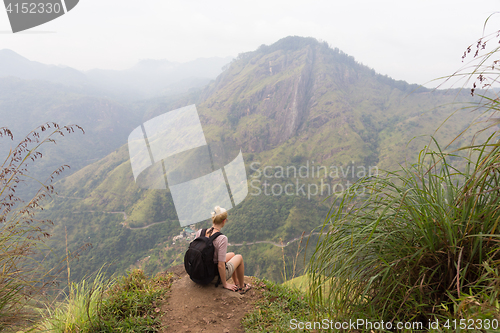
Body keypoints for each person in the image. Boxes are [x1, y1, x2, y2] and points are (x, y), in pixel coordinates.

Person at [194, 206, 252, 294]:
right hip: (213, 276)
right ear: (224, 221)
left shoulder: (200, 232)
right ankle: (241, 287)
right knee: (239, 257)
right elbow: (221, 265)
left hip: (200, 271)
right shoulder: (222, 238)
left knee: (232, 254)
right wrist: (225, 284)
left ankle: (236, 282)